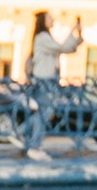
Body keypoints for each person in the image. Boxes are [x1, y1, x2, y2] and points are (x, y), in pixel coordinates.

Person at [25, 8, 83, 151]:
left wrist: (78, 36)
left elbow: (68, 49)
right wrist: (73, 31)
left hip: (49, 80)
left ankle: (26, 137)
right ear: (43, 21)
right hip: (44, 80)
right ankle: (33, 144)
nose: (52, 20)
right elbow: (62, 48)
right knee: (44, 112)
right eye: (49, 18)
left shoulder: (45, 37)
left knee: (45, 112)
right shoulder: (42, 37)